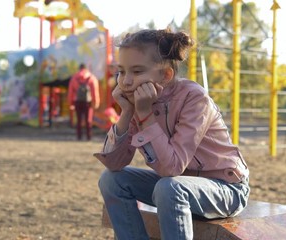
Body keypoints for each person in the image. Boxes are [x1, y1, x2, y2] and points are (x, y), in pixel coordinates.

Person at [93, 28, 250, 240]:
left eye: (137, 72)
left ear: (166, 75)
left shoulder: (194, 99)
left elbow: (171, 168)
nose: (126, 81)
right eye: (121, 71)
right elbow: (114, 163)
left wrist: (145, 115)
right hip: (176, 187)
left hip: (225, 189)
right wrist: (127, 112)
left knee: (169, 187)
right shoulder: (137, 102)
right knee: (112, 180)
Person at [67, 63, 100, 140]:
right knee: (88, 120)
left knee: (78, 120)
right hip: (88, 102)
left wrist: (70, 103)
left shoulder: (74, 78)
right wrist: (96, 102)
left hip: (77, 101)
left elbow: (70, 92)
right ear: (86, 68)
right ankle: (89, 136)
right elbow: (95, 91)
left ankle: (79, 136)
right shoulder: (92, 77)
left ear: (79, 68)